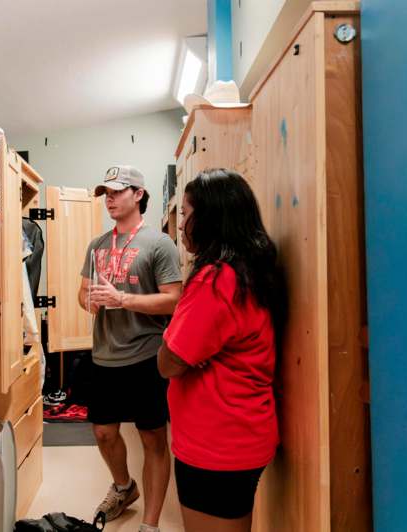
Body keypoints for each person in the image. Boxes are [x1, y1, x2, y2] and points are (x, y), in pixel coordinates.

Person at [157, 168, 284, 532]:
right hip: (239, 435)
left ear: (210, 218)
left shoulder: (216, 281)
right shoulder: (247, 271)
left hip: (216, 446)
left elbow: (169, 363)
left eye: (187, 214)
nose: (181, 225)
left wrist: (170, 337)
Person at [78, 165, 182, 532]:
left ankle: (150, 525)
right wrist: (88, 300)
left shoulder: (159, 243)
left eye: (118, 191)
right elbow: (83, 292)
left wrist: (123, 299)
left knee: (152, 437)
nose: (109, 198)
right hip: (104, 353)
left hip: (145, 355)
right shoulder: (97, 245)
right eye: (105, 191)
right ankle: (124, 488)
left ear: (138, 194)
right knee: (104, 433)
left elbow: (174, 301)